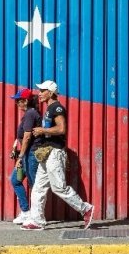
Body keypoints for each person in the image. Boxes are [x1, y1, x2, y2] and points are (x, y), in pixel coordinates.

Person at [20, 80, 95, 231]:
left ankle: (85, 208)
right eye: (40, 91)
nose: (39, 93)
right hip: (47, 153)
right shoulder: (48, 108)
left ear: (51, 92)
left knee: (58, 187)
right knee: (38, 188)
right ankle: (37, 221)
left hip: (55, 152)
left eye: (42, 90)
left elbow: (62, 129)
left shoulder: (57, 108)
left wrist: (43, 131)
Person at [9, 89, 41, 225]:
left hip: (31, 154)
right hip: (26, 153)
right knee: (15, 180)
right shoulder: (28, 115)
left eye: (18, 101)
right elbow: (22, 137)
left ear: (25, 101)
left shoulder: (30, 114)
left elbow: (27, 136)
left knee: (34, 185)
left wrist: (20, 158)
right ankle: (26, 212)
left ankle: (35, 217)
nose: (16, 104)